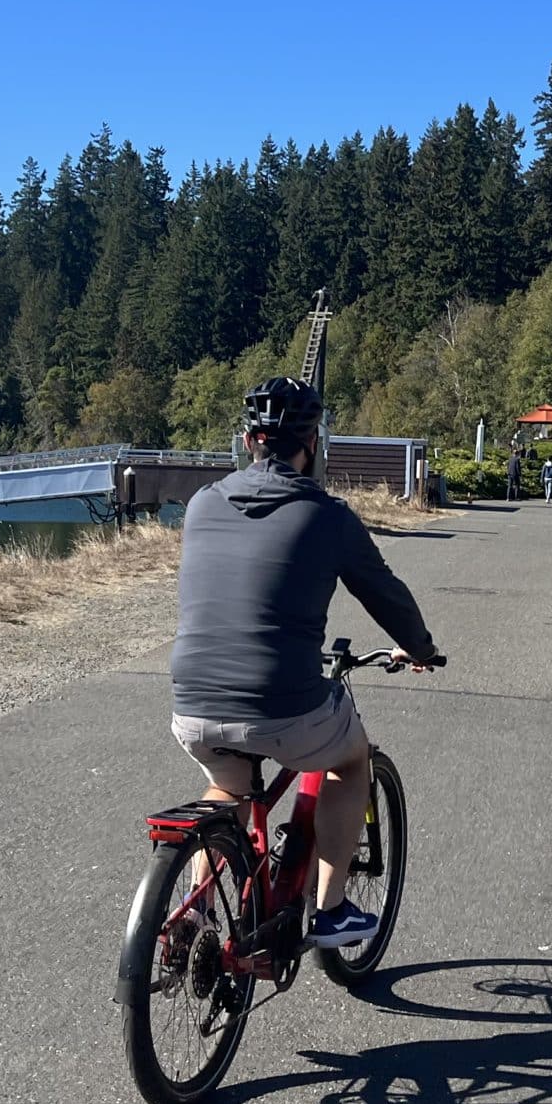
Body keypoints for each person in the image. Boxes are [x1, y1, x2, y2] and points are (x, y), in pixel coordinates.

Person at [169, 376, 441, 949]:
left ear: (248, 442)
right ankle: (333, 909)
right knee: (351, 759)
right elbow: (384, 593)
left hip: (190, 703)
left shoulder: (200, 505)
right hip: (281, 704)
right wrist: (419, 648)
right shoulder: (326, 515)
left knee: (229, 784)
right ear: (313, 443)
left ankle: (196, 920)